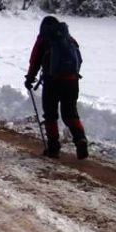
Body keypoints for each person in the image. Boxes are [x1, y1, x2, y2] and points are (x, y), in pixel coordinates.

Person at [25, 15, 88, 159]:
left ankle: (53, 147)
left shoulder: (43, 39)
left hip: (52, 82)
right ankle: (80, 139)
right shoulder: (69, 39)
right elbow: (79, 60)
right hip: (72, 81)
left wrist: (30, 78)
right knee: (70, 113)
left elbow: (34, 61)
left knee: (50, 114)